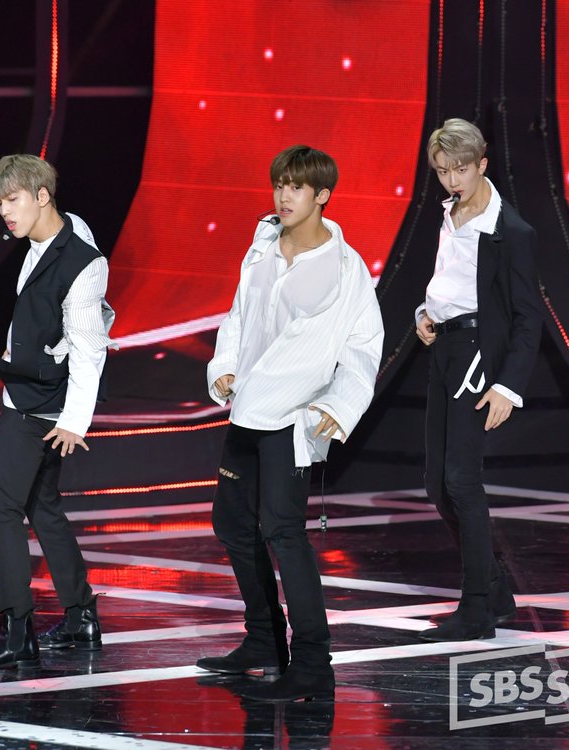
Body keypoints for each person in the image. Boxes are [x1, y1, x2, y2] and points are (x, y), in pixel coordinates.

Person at [199, 145, 384, 702]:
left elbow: (363, 344)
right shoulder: (262, 245)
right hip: (247, 409)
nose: (284, 195)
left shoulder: (344, 267)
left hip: (292, 416)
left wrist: (337, 405)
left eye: (296, 186)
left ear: (322, 195)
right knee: (233, 524)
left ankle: (312, 663)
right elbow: (239, 316)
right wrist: (224, 365)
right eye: (279, 184)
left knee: (283, 532)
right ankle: (263, 641)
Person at [0, 155, 115, 670]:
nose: (4, 212)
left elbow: (90, 347)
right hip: (33, 391)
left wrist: (74, 420)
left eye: (13, 200)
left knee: (0, 509)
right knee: (41, 506)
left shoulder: (82, 262)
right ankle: (80, 616)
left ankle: (16, 631)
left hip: (38, 405)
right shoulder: (58, 233)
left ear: (42, 196)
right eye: (0, 203)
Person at [413, 118, 544, 642]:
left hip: (476, 357)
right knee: (436, 484)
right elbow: (450, 283)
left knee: (461, 481)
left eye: (460, 169)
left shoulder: (510, 230)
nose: (452, 180)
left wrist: (507, 386)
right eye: (443, 171)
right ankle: (494, 590)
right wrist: (425, 314)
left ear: (482, 164)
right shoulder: (449, 214)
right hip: (444, 348)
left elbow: (528, 316)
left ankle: (476, 609)